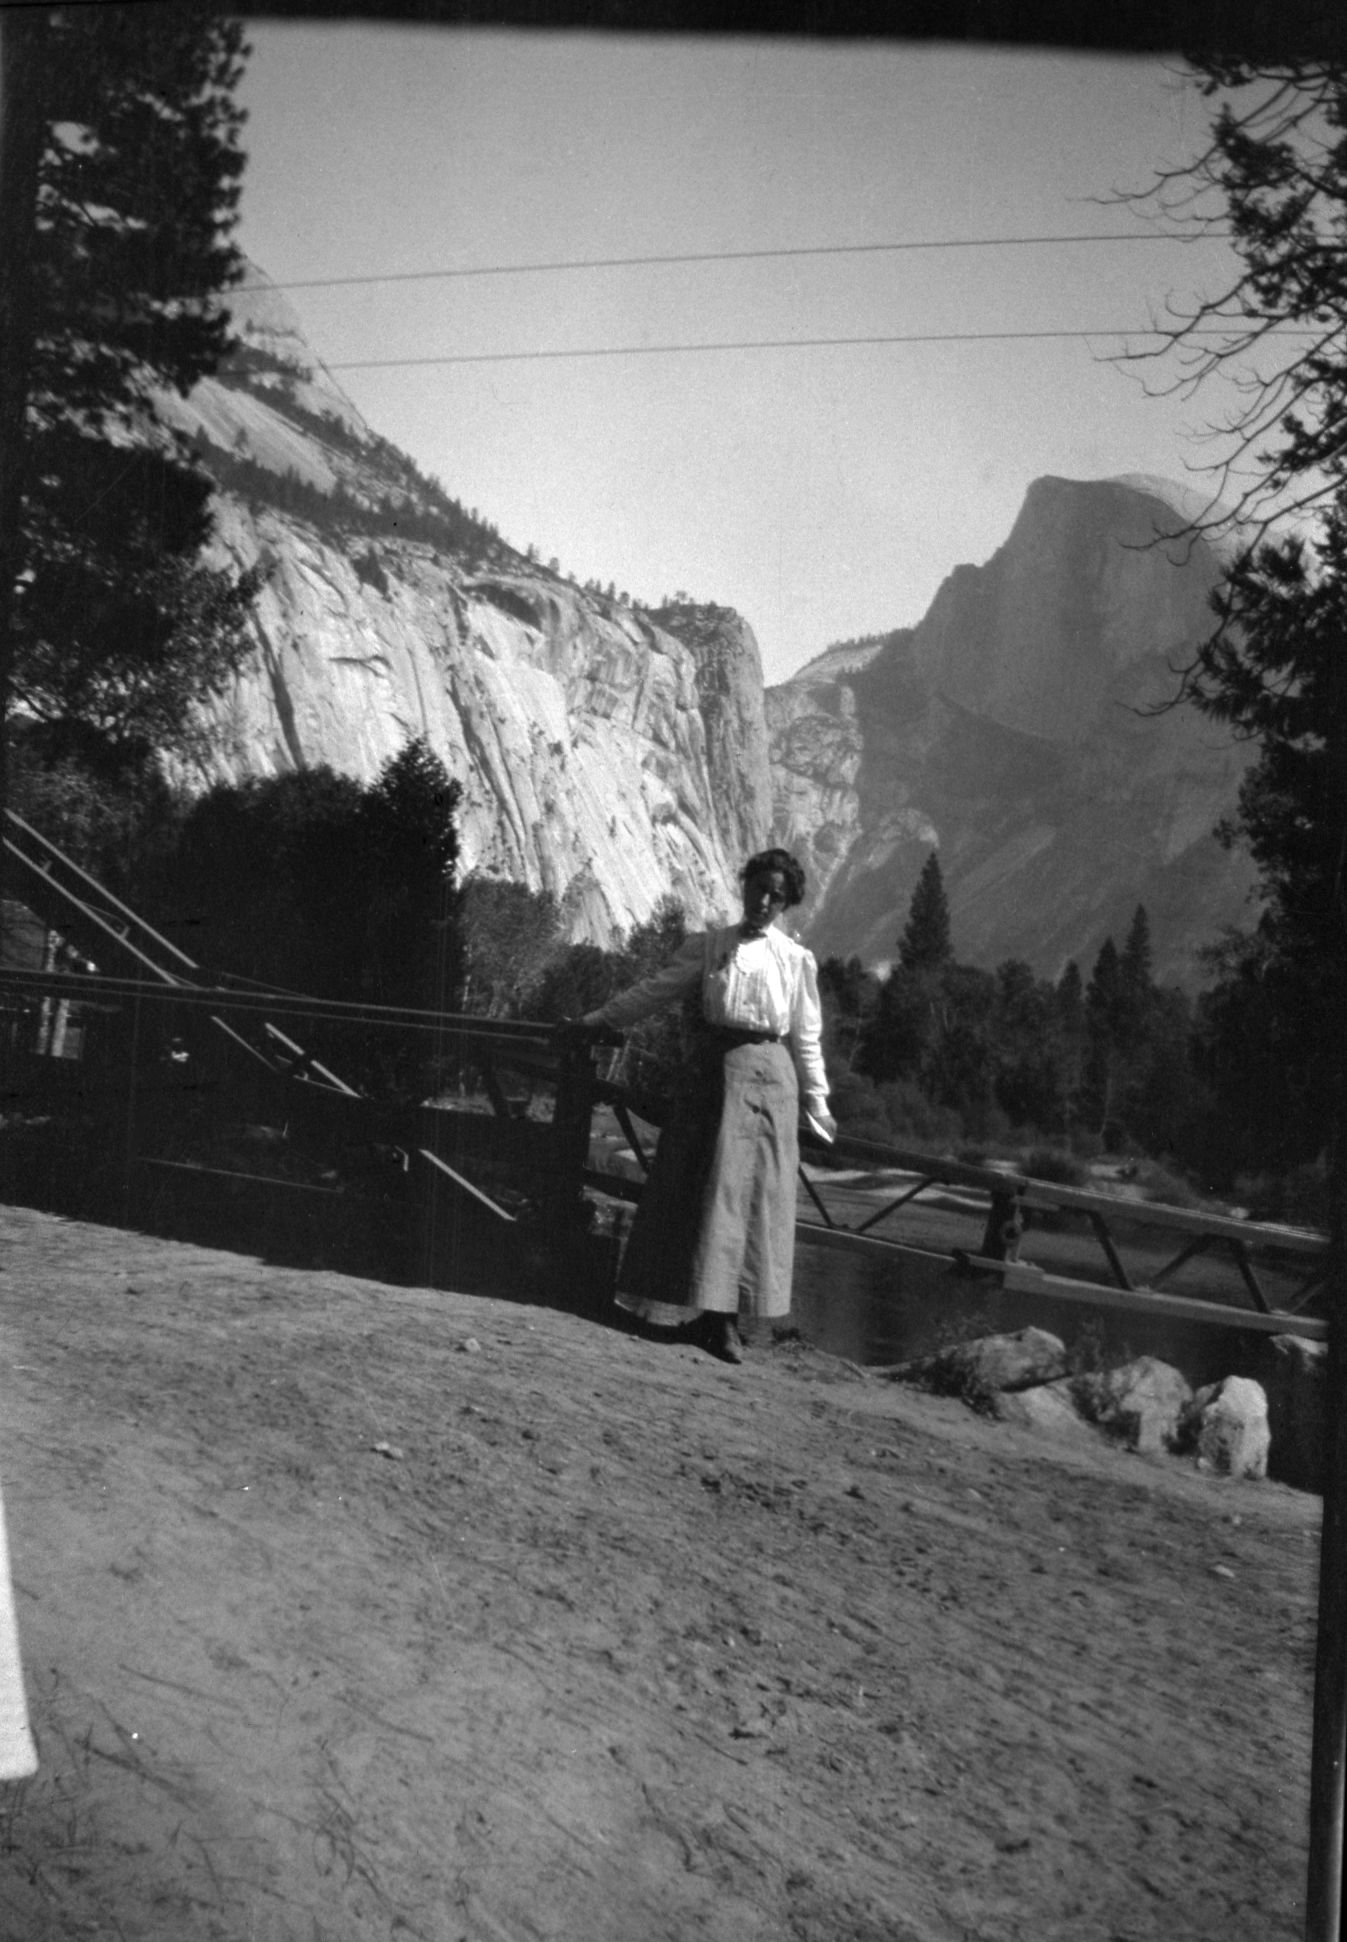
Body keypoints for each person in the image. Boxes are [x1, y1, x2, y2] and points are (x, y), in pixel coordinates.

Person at [574, 848, 836, 1363]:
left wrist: (819, 1102)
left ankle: (726, 1324)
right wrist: (598, 1020)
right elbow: (656, 990)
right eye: (757, 888)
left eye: (776, 896)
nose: (763, 901)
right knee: (708, 1196)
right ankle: (699, 1317)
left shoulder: (794, 960)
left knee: (753, 1202)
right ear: (744, 886)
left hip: (773, 1085)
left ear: (788, 904)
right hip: (716, 1081)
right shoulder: (710, 947)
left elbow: (806, 1037)